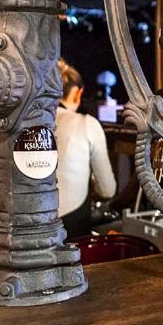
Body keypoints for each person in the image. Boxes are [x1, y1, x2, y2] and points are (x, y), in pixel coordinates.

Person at [56, 60, 116, 237]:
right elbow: (107, 190)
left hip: (28, 228)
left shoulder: (28, 123)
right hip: (71, 232)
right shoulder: (87, 124)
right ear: (77, 93)